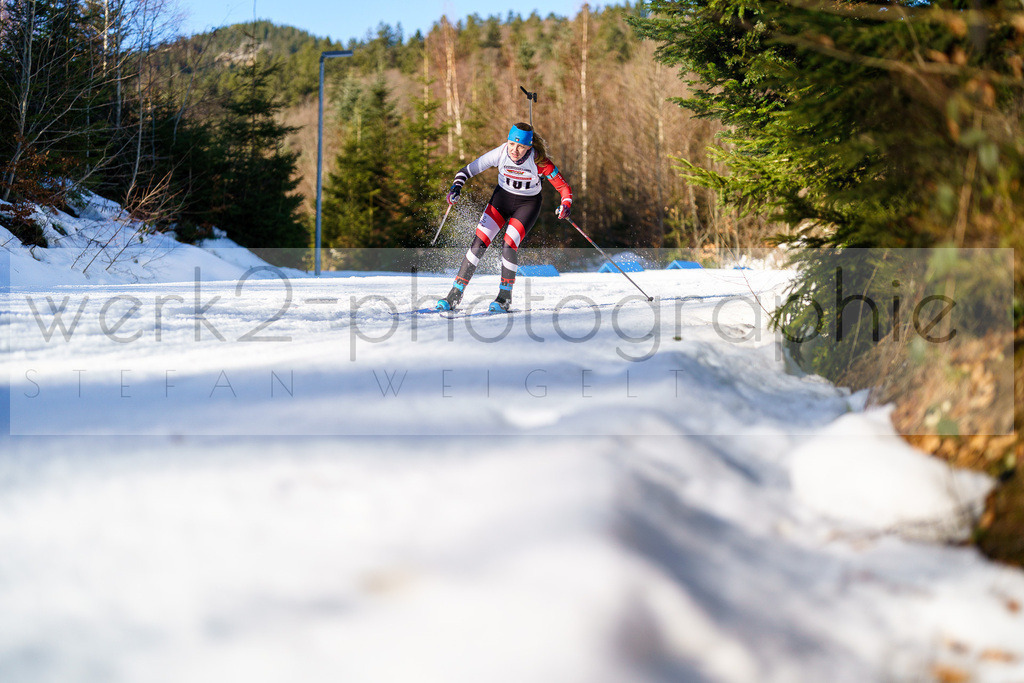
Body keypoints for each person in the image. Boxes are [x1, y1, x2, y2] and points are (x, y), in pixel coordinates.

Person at [436, 122, 573, 312]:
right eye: (511, 144)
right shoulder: (500, 153)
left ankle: (504, 297)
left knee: (509, 245)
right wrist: (456, 188)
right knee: (479, 243)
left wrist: (566, 204)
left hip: (527, 205)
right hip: (501, 200)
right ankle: (455, 293)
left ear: (529, 146)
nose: (515, 150)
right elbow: (465, 171)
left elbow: (564, 188)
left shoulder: (540, 162)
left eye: (521, 146)